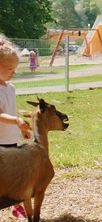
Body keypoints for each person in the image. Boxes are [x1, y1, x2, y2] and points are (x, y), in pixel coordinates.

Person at [0, 35, 32, 219]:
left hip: (11, 139)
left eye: (15, 69)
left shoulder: (10, 88)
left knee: (15, 175)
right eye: (9, 69)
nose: (13, 73)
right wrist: (16, 121)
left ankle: (16, 206)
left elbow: (10, 110)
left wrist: (22, 127)